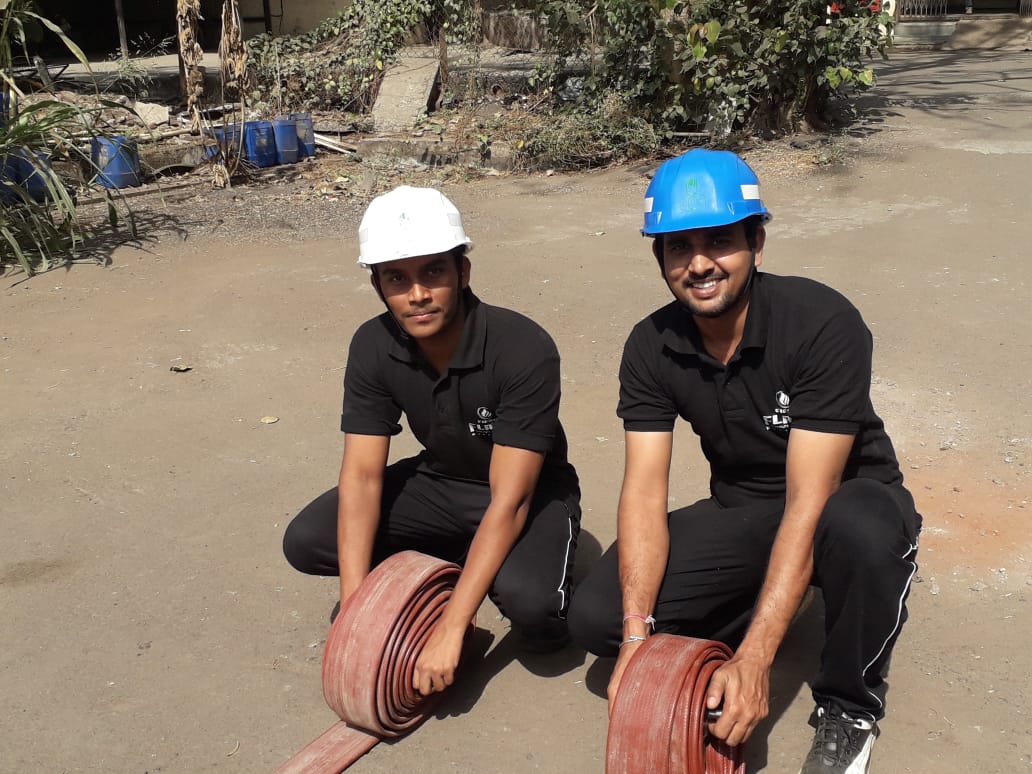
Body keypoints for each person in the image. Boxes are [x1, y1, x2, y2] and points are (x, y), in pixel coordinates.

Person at [567, 149, 920, 773]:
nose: (700, 263)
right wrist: (636, 636)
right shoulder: (651, 345)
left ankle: (849, 708)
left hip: (845, 496)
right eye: (679, 246)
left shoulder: (821, 323)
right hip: (747, 507)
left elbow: (811, 498)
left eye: (720, 241)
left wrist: (756, 660)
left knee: (860, 529)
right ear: (659, 257)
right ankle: (776, 599)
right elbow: (643, 492)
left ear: (757, 242)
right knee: (598, 619)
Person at [283, 185, 581, 697]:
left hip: (528, 494)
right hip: (441, 481)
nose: (417, 294)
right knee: (308, 539)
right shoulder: (373, 344)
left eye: (433, 272)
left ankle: (496, 576)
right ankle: (464, 561)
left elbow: (511, 501)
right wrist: (357, 609)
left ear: (463, 272)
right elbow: (362, 476)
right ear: (377, 285)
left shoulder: (522, 347)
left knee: (533, 606)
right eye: (397, 278)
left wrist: (450, 626)